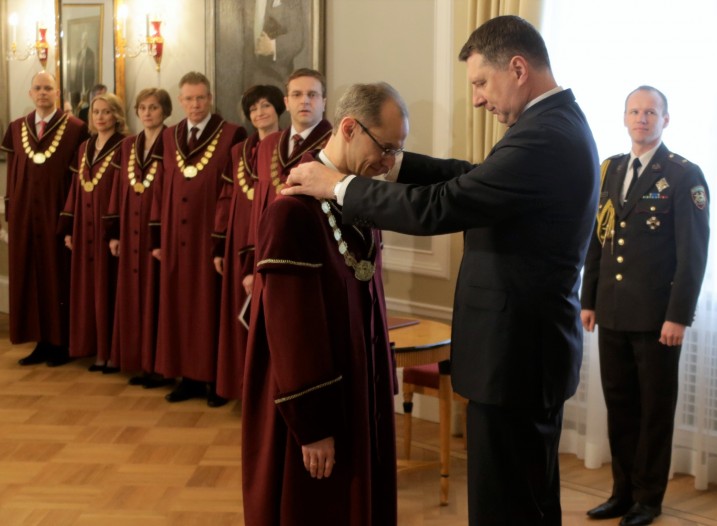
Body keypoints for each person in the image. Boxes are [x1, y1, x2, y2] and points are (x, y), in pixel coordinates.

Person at [284, 15, 600, 525]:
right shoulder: (554, 124)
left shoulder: (545, 136)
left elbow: (445, 206)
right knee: (528, 498)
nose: (477, 98)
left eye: (480, 82)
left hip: (516, 358)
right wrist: (396, 161)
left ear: (517, 68)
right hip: (525, 354)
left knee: (506, 507)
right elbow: (473, 177)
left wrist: (337, 186)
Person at [242, 81, 406, 526]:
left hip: (356, 390)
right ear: (350, 129)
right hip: (315, 409)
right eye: (386, 148)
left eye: (396, 151)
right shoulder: (292, 212)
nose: (389, 163)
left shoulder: (354, 196)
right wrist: (313, 426)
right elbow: (293, 332)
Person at [580, 86, 710, 526]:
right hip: (613, 311)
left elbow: (693, 254)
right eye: (634, 111)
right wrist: (589, 298)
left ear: (666, 120)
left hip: (658, 319)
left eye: (651, 112)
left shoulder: (683, 175)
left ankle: (648, 500)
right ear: (624, 117)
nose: (642, 118)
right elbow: (599, 239)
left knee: (654, 410)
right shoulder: (611, 170)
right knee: (620, 406)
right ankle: (622, 493)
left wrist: (678, 315)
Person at [151, 72, 246, 407]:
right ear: (180, 101)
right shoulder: (170, 136)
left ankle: (213, 381)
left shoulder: (233, 134)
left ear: (210, 98)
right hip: (175, 239)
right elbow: (160, 188)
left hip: (209, 238)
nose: (195, 105)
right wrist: (156, 237)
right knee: (178, 308)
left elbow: (230, 191)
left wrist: (220, 240)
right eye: (189, 99)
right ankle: (186, 377)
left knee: (209, 309)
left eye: (201, 98)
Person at [1, 71, 88, 367]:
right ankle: (40, 341)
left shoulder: (76, 128)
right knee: (32, 277)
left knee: (57, 276)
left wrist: (72, 217)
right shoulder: (17, 128)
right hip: (26, 217)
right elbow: (12, 171)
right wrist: (11, 212)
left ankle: (61, 343)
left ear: (56, 92)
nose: (42, 93)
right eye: (37, 88)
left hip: (57, 215)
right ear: (30, 93)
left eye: (47, 88)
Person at [212, 84, 285, 401]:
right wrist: (218, 244)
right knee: (241, 317)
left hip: (271, 238)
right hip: (239, 240)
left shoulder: (286, 146)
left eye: (266, 106)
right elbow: (227, 198)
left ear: (278, 109)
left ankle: (270, 393)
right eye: (254, 109)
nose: (260, 113)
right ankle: (243, 390)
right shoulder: (238, 152)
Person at [239, 68, 332, 292]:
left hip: (316, 263)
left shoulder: (336, 145)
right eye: (297, 95)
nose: (305, 101)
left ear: (324, 101)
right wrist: (250, 264)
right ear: (286, 102)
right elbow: (258, 209)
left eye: (312, 95)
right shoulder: (268, 145)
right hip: (267, 259)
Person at [105, 88, 173, 388]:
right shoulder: (129, 145)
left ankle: (160, 366)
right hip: (131, 232)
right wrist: (113, 232)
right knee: (134, 294)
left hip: (157, 232)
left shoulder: (172, 143)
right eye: (142, 108)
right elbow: (118, 189)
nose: (147, 113)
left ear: (165, 111)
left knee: (157, 295)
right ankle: (139, 361)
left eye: (154, 107)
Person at [59, 93, 127, 371]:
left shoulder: (125, 146)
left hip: (107, 227)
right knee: (88, 289)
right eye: (96, 112)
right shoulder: (84, 147)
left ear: (116, 115)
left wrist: (117, 230)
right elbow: (76, 189)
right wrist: (68, 227)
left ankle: (112, 353)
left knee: (108, 288)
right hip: (84, 226)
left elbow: (123, 192)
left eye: (106, 112)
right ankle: (93, 348)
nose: (100, 117)